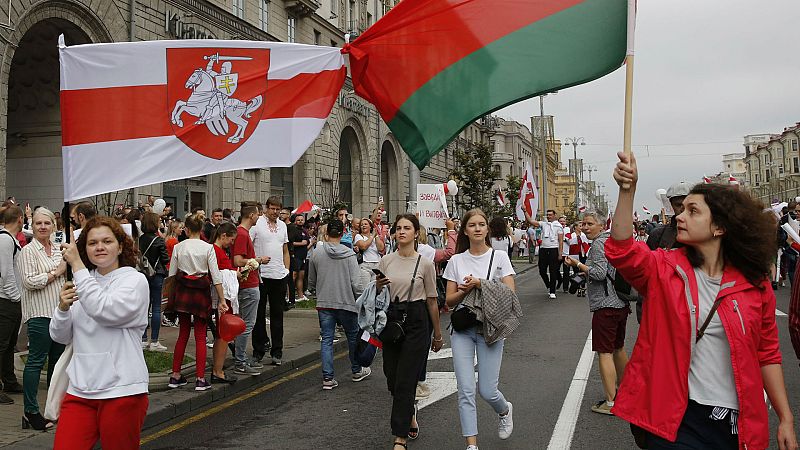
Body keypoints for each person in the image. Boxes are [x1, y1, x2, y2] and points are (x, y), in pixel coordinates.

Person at [606, 151, 797, 450]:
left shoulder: (754, 284)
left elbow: (768, 354)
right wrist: (626, 191)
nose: (680, 216)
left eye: (693, 211)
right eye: (682, 210)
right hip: (678, 419)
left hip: (737, 421)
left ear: (720, 227)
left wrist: (786, 418)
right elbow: (621, 250)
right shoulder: (665, 269)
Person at [51, 216, 150, 449]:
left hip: (122, 390)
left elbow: (104, 310)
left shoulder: (135, 281)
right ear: (84, 248)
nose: (100, 247)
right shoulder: (82, 281)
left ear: (121, 246)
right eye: (92, 243)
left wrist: (77, 266)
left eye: (107, 241)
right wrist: (63, 309)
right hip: (80, 390)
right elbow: (60, 336)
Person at [444, 209, 516, 450]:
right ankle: (471, 445)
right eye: (472, 225)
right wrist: (465, 289)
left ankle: (504, 410)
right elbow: (449, 301)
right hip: (463, 330)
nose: (477, 228)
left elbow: (511, 294)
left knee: (486, 389)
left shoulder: (499, 257)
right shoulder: (456, 260)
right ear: (465, 230)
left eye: (481, 224)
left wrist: (481, 284)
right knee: (465, 390)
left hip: (490, 328)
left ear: (487, 229)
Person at [377, 214, 443, 450]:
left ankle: (400, 437)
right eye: (398, 228)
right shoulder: (386, 261)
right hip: (392, 320)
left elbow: (432, 301)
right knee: (392, 378)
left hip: (416, 320)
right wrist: (376, 287)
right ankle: (409, 411)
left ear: (416, 233)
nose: (402, 231)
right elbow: (378, 296)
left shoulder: (424, 263)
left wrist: (437, 334)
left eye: (407, 228)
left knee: (406, 379)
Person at [565, 212, 630, 415]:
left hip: (606, 304)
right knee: (618, 348)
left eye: (590, 224)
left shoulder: (599, 245)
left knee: (605, 352)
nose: (585, 227)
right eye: (583, 223)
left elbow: (599, 273)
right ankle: (628, 394)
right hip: (620, 302)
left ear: (602, 226)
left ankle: (611, 403)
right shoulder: (612, 241)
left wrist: (577, 265)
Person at [18, 207, 67, 428]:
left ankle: (52, 409)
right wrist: (56, 273)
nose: (43, 227)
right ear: (32, 226)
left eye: (47, 223)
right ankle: (30, 411)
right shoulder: (28, 251)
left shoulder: (58, 249)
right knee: (36, 362)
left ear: (53, 226)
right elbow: (29, 281)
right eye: (38, 223)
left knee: (57, 365)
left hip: (60, 314)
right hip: (39, 314)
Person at [307, 219, 371, 390]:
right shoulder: (349, 254)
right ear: (342, 234)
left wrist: (313, 289)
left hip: (325, 302)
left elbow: (311, 279)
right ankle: (357, 370)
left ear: (326, 234)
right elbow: (356, 283)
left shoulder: (317, 253)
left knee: (327, 339)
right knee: (352, 337)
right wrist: (361, 300)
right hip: (346, 302)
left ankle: (328, 378)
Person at [167, 214, 227, 391]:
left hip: (183, 291)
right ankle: (200, 379)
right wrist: (222, 300)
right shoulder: (208, 248)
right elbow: (216, 277)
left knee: (183, 333)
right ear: (201, 229)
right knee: (201, 335)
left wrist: (169, 300)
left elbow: (171, 275)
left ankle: (175, 375)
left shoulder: (178, 247)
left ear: (186, 229)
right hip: (200, 291)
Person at [250, 196, 290, 366]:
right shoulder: (257, 223)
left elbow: (285, 250)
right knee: (258, 315)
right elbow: (248, 246)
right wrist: (256, 261)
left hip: (279, 275)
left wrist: (287, 271)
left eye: (277, 209)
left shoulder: (282, 226)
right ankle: (258, 350)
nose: (275, 212)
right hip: (260, 275)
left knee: (277, 315)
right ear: (266, 208)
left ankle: (277, 351)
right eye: (272, 209)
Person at [232, 202, 264, 376]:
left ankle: (241, 357)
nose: (259, 217)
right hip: (248, 284)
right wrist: (257, 260)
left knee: (244, 323)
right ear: (251, 215)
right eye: (258, 214)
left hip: (248, 283)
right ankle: (240, 361)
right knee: (247, 324)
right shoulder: (242, 234)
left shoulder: (241, 233)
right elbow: (238, 260)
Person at [208, 222, 239, 384]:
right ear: (223, 236)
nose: (231, 243)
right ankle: (218, 371)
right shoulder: (215, 250)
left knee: (223, 334)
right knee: (223, 334)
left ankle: (217, 370)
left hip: (223, 297)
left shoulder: (218, 250)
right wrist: (237, 275)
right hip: (223, 298)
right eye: (231, 239)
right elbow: (219, 276)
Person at [0, 204, 24, 406]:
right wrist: (15, 296)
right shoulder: (5, 240)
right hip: (6, 300)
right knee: (2, 344)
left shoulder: (9, 239)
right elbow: (5, 272)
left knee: (8, 345)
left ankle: (9, 380)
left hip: (10, 299)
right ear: (20, 220)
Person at [139, 212, 170, 352]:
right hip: (157, 274)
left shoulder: (139, 240)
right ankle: (155, 341)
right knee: (157, 307)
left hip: (142, 275)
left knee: (144, 306)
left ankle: (143, 339)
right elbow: (165, 259)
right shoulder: (158, 240)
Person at [527, 209, 564, 299]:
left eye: (550, 215)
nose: (548, 216)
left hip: (553, 249)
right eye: (547, 215)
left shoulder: (558, 226)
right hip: (543, 249)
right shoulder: (544, 224)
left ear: (555, 215)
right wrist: (525, 212)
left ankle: (552, 291)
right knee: (542, 270)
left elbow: (561, 241)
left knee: (553, 271)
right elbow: (531, 221)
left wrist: (560, 254)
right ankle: (548, 285)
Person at [290, 214, 311, 302]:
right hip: (296, 256)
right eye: (298, 220)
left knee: (301, 276)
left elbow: (307, 242)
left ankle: (300, 295)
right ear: (295, 221)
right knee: (293, 276)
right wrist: (301, 243)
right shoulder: (293, 230)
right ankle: (289, 296)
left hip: (303, 257)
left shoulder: (305, 231)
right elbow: (290, 242)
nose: (300, 221)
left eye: (302, 220)